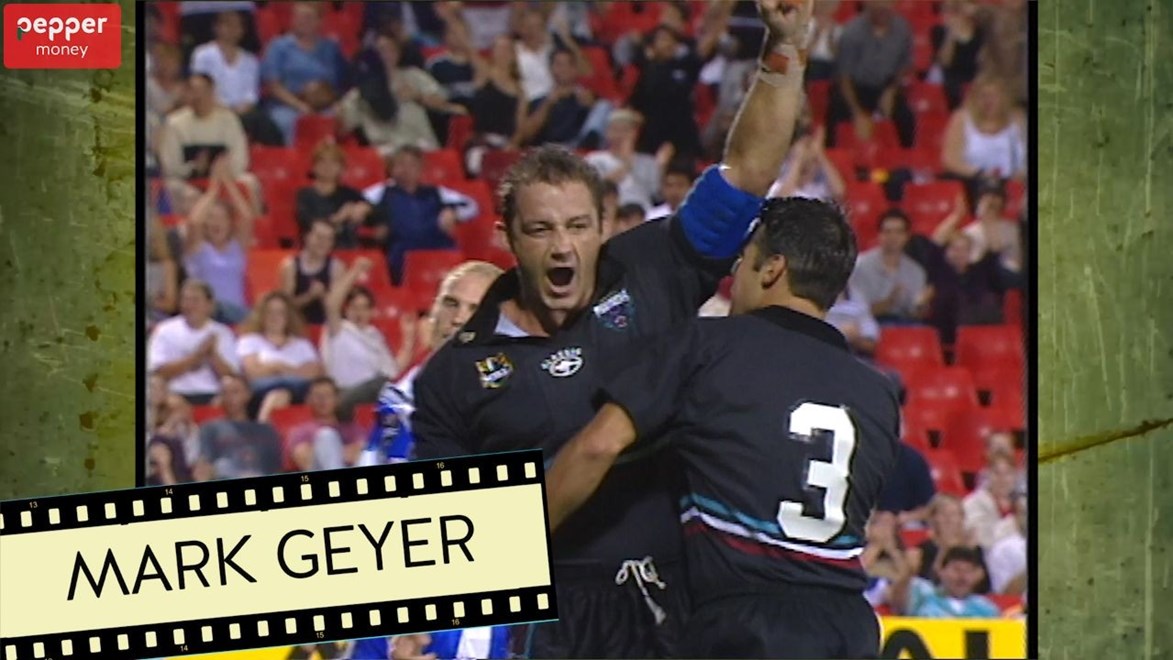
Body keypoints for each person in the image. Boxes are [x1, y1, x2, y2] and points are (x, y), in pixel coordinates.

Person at [411, 2, 815, 657]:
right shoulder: (453, 374)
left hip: (671, 597)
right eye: (541, 230)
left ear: (604, 226)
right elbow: (444, 533)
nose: (563, 248)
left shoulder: (653, 267)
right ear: (507, 238)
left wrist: (784, 48)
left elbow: (746, 172)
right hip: (552, 617)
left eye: (578, 227)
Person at [544, 195, 899, 659]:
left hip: (746, 625)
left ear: (772, 269)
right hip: (850, 629)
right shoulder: (879, 395)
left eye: (742, 262)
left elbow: (598, 447)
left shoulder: (707, 346)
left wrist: (505, 550)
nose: (734, 277)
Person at [349, 260, 504, 660]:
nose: (458, 318)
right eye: (450, 303)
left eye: (475, 309)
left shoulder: (512, 410)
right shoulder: (395, 404)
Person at [147, 280, 240, 405]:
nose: (189, 305)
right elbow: (160, 371)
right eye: (185, 300)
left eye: (195, 300)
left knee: (232, 387)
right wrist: (196, 357)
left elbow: (231, 374)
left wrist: (213, 355)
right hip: (175, 394)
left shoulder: (222, 332)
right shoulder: (164, 330)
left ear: (209, 304)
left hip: (213, 394)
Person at [279, 219, 346, 326]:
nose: (323, 243)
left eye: (328, 239)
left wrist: (322, 295)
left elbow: (336, 307)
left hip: (326, 326)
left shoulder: (337, 267)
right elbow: (285, 306)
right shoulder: (290, 266)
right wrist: (308, 296)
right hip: (297, 326)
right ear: (307, 236)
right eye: (319, 237)